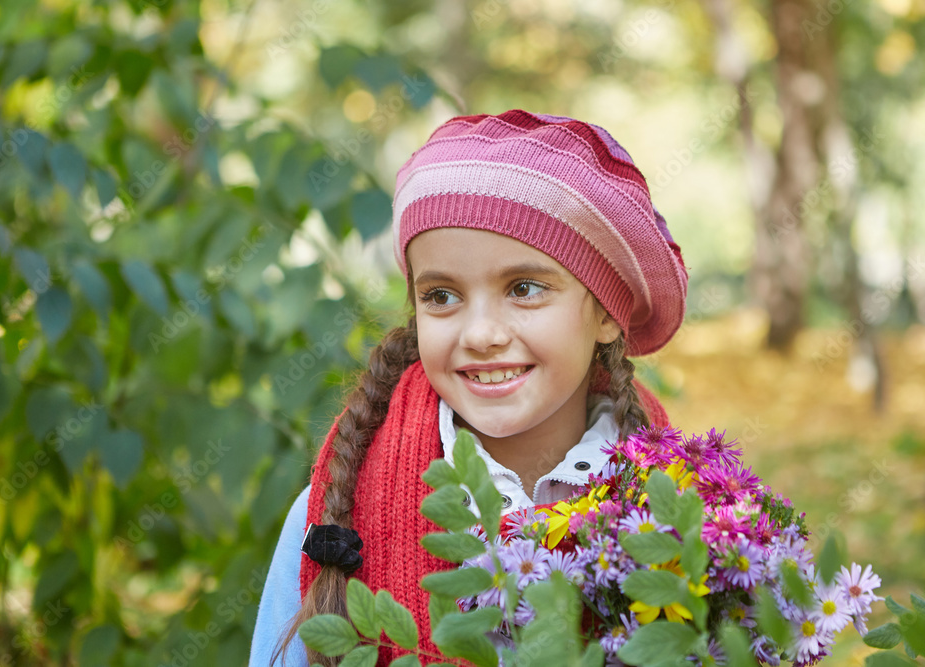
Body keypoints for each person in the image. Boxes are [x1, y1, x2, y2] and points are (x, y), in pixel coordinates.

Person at [249, 109, 688, 666]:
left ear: (606, 313)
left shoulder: (684, 509)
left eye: (524, 288)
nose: (480, 334)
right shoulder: (333, 514)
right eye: (441, 296)